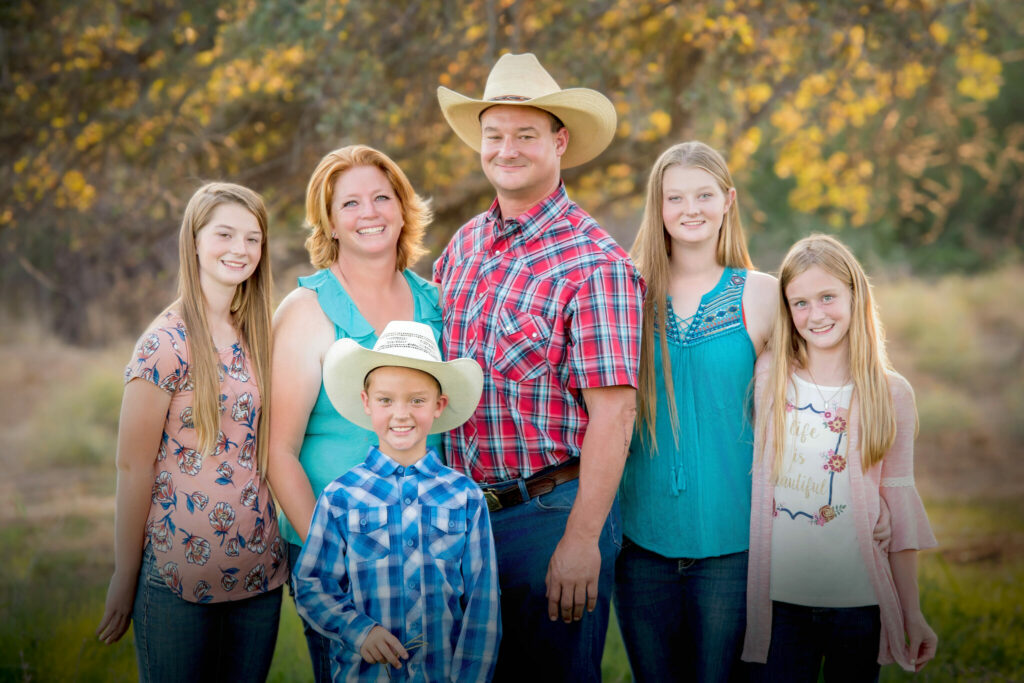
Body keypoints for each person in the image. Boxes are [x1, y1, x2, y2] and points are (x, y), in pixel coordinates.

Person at [433, 52, 645, 681]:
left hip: (549, 516)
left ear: (559, 141)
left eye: (525, 135)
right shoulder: (464, 244)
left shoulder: (594, 262)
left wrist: (581, 542)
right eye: (494, 135)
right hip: (462, 520)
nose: (507, 149)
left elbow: (616, 411)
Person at [95, 183, 286, 682]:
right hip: (178, 576)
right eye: (224, 234)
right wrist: (124, 574)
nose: (240, 249)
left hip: (258, 574)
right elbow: (132, 465)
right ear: (195, 241)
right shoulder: (164, 342)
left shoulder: (258, 334)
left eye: (252, 238)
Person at [267, 145, 443, 681]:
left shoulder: (433, 303)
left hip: (432, 541)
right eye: (350, 203)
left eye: (381, 197)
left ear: (402, 207)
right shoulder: (307, 311)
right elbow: (277, 450)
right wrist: (329, 555)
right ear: (330, 223)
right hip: (338, 551)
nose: (369, 213)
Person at [614, 141, 778, 682]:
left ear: (728, 200)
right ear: (657, 207)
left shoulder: (761, 295)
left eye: (704, 195)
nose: (691, 209)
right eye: (675, 197)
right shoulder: (626, 293)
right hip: (640, 542)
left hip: (734, 542)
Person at [742, 234, 938, 680]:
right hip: (780, 603)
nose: (816, 314)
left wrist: (912, 613)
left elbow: (900, 511)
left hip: (859, 604)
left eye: (827, 297)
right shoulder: (770, 375)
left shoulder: (891, 395)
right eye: (801, 303)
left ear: (855, 294)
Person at [292, 320, 500, 682]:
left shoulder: (465, 497)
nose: (401, 414)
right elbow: (312, 585)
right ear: (366, 403)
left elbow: (483, 606)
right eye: (386, 400)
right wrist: (359, 631)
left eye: (417, 400)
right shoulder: (341, 497)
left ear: (439, 405)